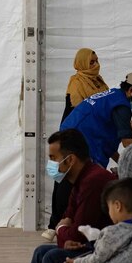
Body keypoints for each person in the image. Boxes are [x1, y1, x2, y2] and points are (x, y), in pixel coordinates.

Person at [22, 129, 115, 263]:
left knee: (51, 257)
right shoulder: (80, 179)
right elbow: (68, 218)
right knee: (41, 252)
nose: (51, 164)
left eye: (53, 158)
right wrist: (65, 229)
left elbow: (73, 233)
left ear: (70, 159)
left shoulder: (94, 181)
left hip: (99, 249)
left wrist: (62, 228)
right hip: (88, 244)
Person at [42, 49, 109, 241]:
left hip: (94, 136)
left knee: (86, 180)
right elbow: (77, 110)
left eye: (96, 61)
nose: (95, 65)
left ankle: (76, 224)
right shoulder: (77, 81)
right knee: (64, 180)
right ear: (81, 63)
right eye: (91, 62)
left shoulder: (101, 83)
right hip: (74, 134)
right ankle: (55, 224)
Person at [60, 72, 132, 168]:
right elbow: (127, 142)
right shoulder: (121, 105)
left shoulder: (113, 96)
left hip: (69, 134)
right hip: (80, 141)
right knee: (90, 178)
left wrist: (123, 165)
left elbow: (108, 146)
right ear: (131, 90)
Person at [61, 178, 132, 263]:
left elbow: (96, 258)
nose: (109, 212)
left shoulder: (112, 232)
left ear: (117, 206)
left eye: (109, 207)